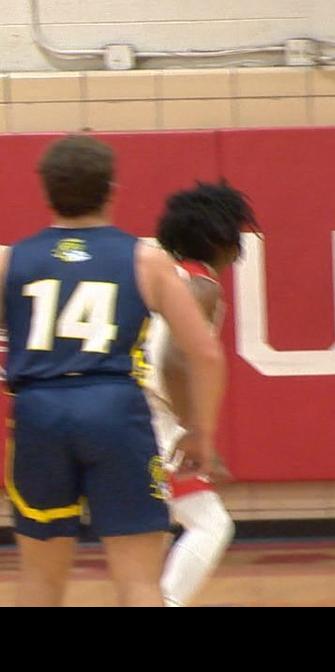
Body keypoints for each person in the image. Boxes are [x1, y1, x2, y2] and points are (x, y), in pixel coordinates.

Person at [1, 135, 225, 606]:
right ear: (112, 188)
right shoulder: (146, 259)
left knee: (40, 583)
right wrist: (200, 432)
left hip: (39, 412)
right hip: (115, 411)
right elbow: (203, 353)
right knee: (139, 583)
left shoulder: (10, 260)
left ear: (46, 191)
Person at [144, 180, 258, 607]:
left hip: (121, 408)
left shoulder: (154, 274)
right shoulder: (201, 285)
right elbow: (173, 360)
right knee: (211, 524)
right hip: (150, 416)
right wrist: (193, 431)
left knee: (149, 533)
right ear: (220, 239)